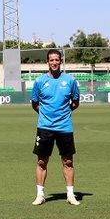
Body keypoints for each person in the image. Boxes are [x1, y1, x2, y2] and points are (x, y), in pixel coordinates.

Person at [30, 48, 81, 206]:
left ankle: (71, 195)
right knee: (41, 162)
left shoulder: (70, 81)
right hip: (45, 127)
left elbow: (75, 102)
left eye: (57, 60)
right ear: (47, 62)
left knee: (68, 161)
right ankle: (40, 195)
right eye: (51, 60)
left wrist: (63, 114)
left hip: (64, 127)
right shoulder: (39, 82)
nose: (54, 62)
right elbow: (35, 103)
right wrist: (47, 115)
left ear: (61, 61)